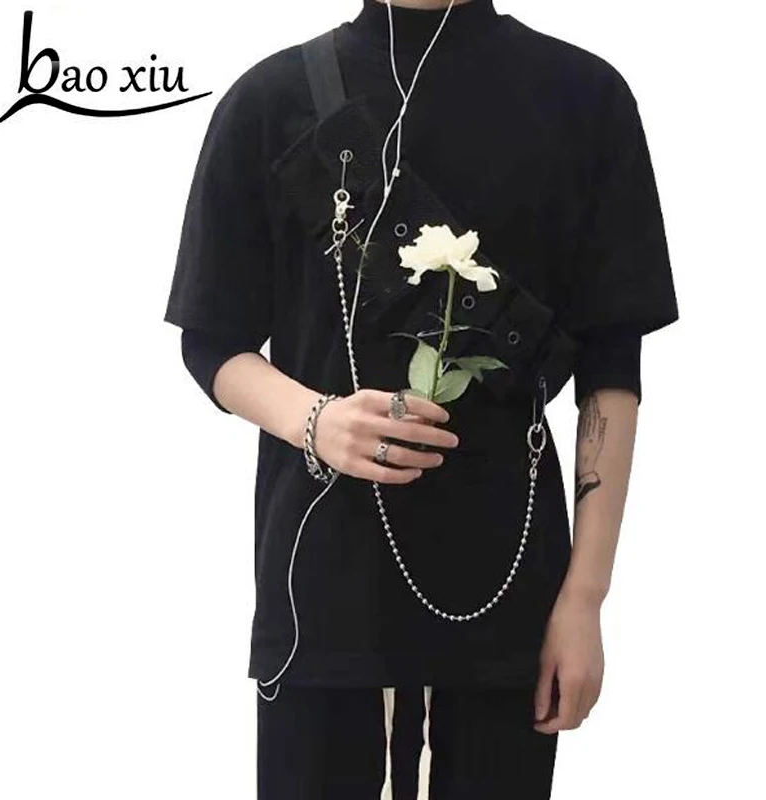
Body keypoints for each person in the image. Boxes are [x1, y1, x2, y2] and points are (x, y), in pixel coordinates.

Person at [163, 0, 679, 796]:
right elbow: (212, 341)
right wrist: (316, 421)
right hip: (321, 591)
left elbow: (612, 367)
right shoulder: (272, 99)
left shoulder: (584, 97)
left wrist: (586, 597)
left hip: (508, 591)